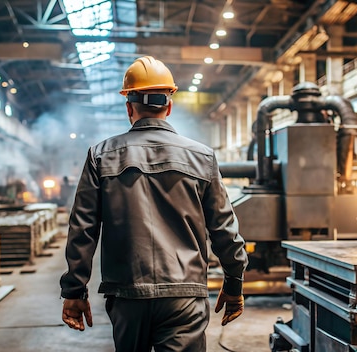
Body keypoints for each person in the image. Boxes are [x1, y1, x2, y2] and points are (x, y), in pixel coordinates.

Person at [60, 56, 248, 352]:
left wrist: (74, 291)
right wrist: (234, 284)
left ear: (129, 107)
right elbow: (224, 229)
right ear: (168, 107)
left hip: (127, 295)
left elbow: (83, 228)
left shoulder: (101, 155)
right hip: (184, 296)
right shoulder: (202, 156)